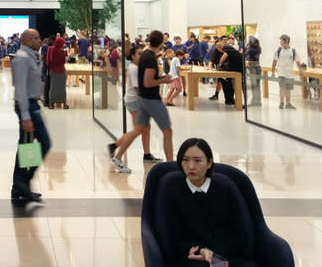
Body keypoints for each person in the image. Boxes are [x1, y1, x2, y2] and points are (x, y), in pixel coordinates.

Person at [164, 138, 257, 267]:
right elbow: (172, 237)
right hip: (192, 257)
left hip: (226, 254)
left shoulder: (226, 188)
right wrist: (200, 250)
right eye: (185, 160)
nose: (191, 166)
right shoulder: (173, 191)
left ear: (209, 163)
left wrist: (215, 255)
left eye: (197, 160)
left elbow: (242, 234)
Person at [111, 30, 174, 173]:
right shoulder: (149, 58)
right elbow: (147, 82)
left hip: (142, 99)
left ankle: (117, 155)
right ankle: (171, 165)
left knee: (139, 129)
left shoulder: (146, 55)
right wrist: (163, 80)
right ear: (162, 42)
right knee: (167, 131)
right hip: (151, 99)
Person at [11, 29, 50, 206]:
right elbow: (20, 88)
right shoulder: (22, 58)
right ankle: (23, 181)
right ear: (26, 40)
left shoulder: (31, 56)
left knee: (27, 145)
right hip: (27, 106)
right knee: (44, 143)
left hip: (33, 105)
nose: (39, 40)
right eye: (36, 38)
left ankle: (20, 186)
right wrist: (26, 116)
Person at [107, 47, 163, 165]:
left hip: (137, 101)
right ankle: (117, 152)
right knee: (139, 129)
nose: (141, 56)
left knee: (145, 128)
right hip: (135, 102)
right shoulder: (133, 69)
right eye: (139, 54)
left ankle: (146, 154)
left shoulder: (137, 68)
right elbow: (139, 89)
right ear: (132, 56)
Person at [272, 34, 300, 110]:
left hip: (290, 74)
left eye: (281, 40)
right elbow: (274, 61)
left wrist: (300, 70)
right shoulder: (278, 50)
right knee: (282, 88)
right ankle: (281, 103)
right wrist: (273, 72)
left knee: (288, 89)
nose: (280, 42)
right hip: (281, 73)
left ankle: (288, 103)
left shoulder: (293, 51)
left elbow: (297, 61)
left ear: (286, 41)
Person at [217, 39, 244, 107]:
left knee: (236, 86)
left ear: (219, 48)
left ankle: (238, 103)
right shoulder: (230, 48)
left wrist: (220, 63)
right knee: (233, 85)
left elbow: (226, 54)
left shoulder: (226, 48)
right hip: (238, 67)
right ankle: (233, 101)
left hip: (236, 68)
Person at [47, 36, 68, 109]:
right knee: (62, 88)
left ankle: (51, 104)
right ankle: (64, 104)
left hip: (53, 71)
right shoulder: (62, 51)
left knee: (52, 87)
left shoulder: (50, 49)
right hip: (61, 71)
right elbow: (64, 61)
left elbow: (48, 61)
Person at [245, 36, 262, 107]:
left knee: (254, 86)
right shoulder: (257, 48)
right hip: (257, 68)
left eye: (248, 40)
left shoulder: (251, 49)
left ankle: (255, 102)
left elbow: (243, 54)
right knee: (257, 86)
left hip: (253, 69)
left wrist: (246, 46)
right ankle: (257, 101)